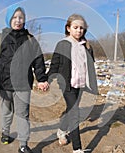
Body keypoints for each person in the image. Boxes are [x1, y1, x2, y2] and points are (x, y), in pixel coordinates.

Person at [0, 4, 49, 153]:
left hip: (23, 84)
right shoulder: (0, 38)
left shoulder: (30, 40)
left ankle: (23, 145)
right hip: (4, 83)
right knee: (6, 112)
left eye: (21, 17)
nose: (18, 20)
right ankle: (5, 133)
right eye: (14, 17)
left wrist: (41, 79)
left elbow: (38, 61)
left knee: (23, 115)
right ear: (9, 19)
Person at [47, 14, 98, 153]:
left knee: (71, 111)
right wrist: (47, 80)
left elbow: (90, 67)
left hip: (80, 85)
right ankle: (77, 149)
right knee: (75, 113)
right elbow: (55, 64)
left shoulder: (87, 47)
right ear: (68, 28)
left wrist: (93, 85)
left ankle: (61, 130)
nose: (78, 30)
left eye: (81, 28)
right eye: (75, 27)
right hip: (67, 85)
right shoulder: (62, 44)